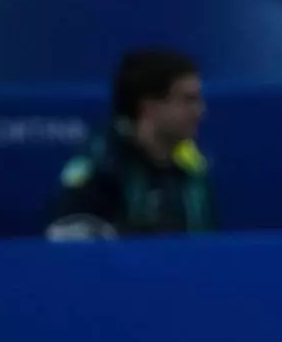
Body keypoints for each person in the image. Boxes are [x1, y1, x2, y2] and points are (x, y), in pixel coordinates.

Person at [48, 48, 213, 239]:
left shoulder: (192, 170)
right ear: (149, 107)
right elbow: (64, 241)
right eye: (188, 100)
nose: (200, 111)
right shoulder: (100, 169)